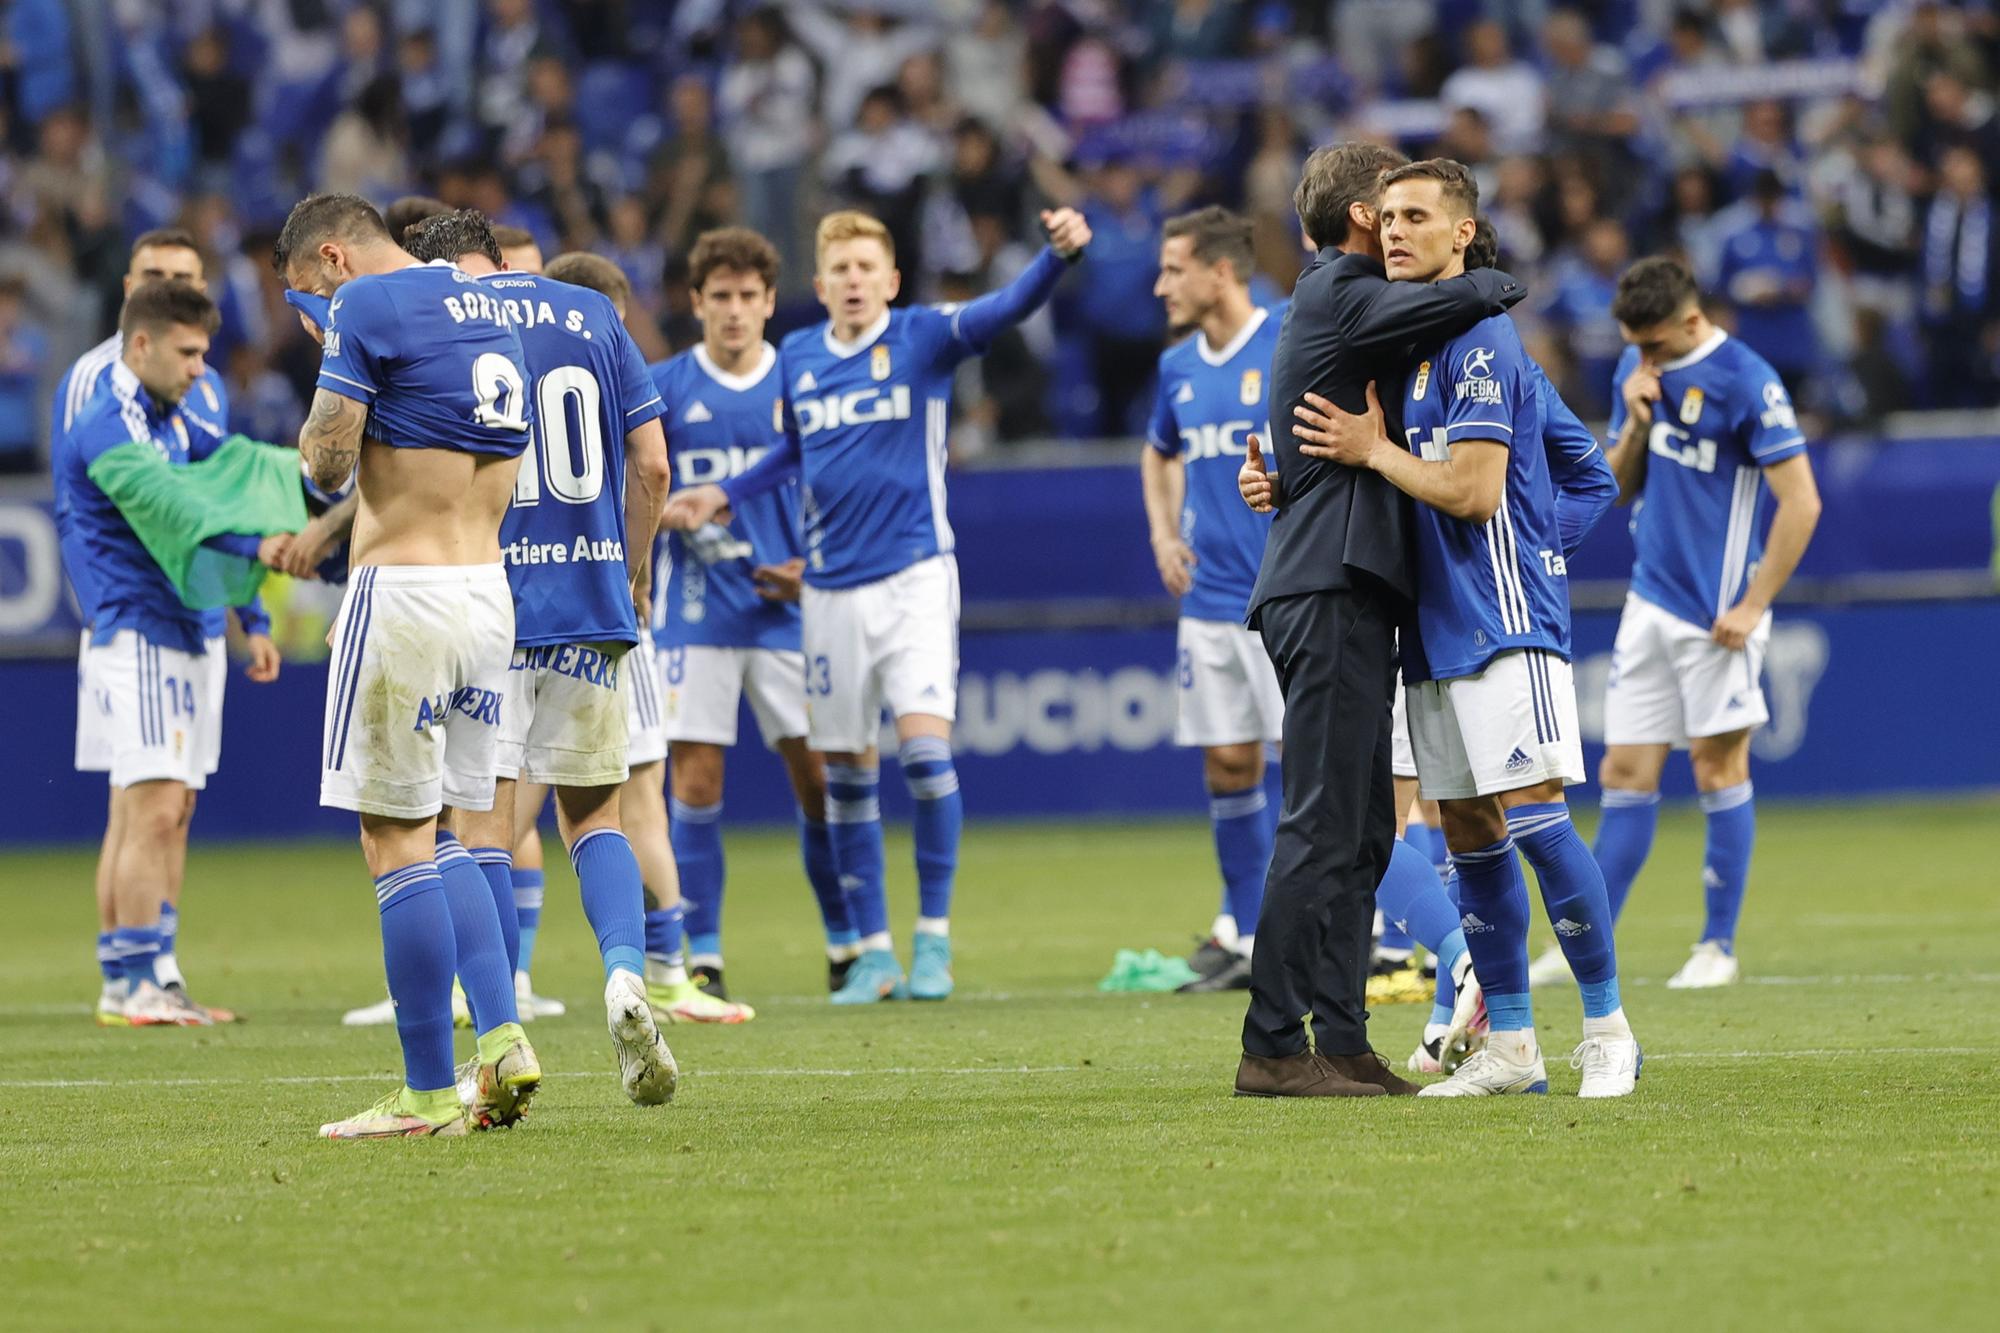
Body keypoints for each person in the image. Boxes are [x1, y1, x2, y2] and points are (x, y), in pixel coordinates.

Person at [660, 206, 1092, 1004]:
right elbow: (798, 448)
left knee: (927, 759)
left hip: (914, 578)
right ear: (820, 286)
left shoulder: (923, 336)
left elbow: (1005, 311)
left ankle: (934, 943)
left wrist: (1055, 260)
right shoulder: (798, 355)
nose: (855, 282)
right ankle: (873, 953)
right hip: (828, 593)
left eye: (869, 268)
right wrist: (726, 490)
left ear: (891, 281)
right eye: (841, 271)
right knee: (849, 779)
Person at [1282, 159, 1636, 1099]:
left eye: (1416, 217)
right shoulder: (1410, 345)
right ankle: (1513, 1045)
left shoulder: (1481, 336)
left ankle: (1609, 1027)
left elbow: (1478, 492)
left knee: (1538, 823)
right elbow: (1579, 461)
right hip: (1429, 626)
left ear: (1463, 234)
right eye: (1386, 217)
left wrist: (1528, 554)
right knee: (1470, 838)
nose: (1395, 231)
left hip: (1499, 621)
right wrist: (1287, 481)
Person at [1234, 142, 1524, 1100]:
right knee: (1321, 823)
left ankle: (1345, 1039)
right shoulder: (1341, 291)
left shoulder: (1344, 311)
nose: (1399, 225)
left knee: (1362, 828)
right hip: (1327, 588)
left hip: (1345, 585)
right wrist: (1490, 270)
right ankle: (1274, 1044)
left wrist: (1283, 471)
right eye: (1390, 210)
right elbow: (1477, 297)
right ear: (1363, 217)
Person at [397, 210, 688, 1099]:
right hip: (595, 599)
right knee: (595, 816)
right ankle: (626, 975)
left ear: (443, 268)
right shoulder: (592, 312)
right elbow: (654, 466)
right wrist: (633, 570)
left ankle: (500, 1033)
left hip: (488, 604)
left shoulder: (443, 324)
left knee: (479, 830)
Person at [275, 193, 540, 1139]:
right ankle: (503, 1034)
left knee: (395, 840)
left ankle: (427, 1091)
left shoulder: (359, 307)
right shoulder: (492, 303)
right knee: (466, 832)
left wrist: (327, 353)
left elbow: (329, 466)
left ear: (334, 257)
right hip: (487, 589)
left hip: (405, 595)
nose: (313, 303)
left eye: (308, 287)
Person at [1530, 256, 1820, 991]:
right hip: (1648, 602)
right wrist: (1632, 417)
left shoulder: (1748, 380)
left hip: (1715, 614)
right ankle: (1586, 945)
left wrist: (1753, 603)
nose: (1644, 357)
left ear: (1693, 321)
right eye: (1636, 346)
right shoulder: (1641, 365)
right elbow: (1617, 487)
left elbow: (1803, 501)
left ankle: (1717, 945)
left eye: (1655, 345)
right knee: (1624, 773)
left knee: (1719, 768)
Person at [55, 229, 278, 1027]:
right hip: (138, 618)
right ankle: (134, 978)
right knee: (147, 804)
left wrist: (249, 609)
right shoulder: (98, 396)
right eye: (185, 352)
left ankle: (145, 973)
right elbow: (168, 510)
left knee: (166, 805)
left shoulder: (191, 396)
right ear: (133, 303)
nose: (198, 367)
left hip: (187, 619)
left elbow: (224, 491)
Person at [539, 245, 759, 1026]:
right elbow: (654, 474)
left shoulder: (514, 386)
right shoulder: (626, 381)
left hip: (528, 615)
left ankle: (496, 985)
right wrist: (633, 570)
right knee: (636, 804)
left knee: (501, 809)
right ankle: (662, 969)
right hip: (614, 619)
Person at [649, 226, 858, 1002]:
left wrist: (815, 566)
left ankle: (845, 942)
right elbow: (635, 483)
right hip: (697, 609)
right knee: (695, 781)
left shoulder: (799, 381)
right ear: (696, 302)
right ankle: (702, 953)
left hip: (789, 608)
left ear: (771, 302)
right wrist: (665, 515)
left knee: (818, 779)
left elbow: (840, 482)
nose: (734, 311)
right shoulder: (665, 385)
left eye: (748, 297)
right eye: (720, 297)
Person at [1140, 206, 1283, 993]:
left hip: (1288, 599)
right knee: (1228, 764)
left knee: (1314, 770)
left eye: (1173, 268)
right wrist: (1164, 535)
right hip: (1210, 601)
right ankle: (1252, 932)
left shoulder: (1288, 337)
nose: (1161, 285)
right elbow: (1158, 451)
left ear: (1220, 271)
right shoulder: (1178, 367)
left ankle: (1357, 926)